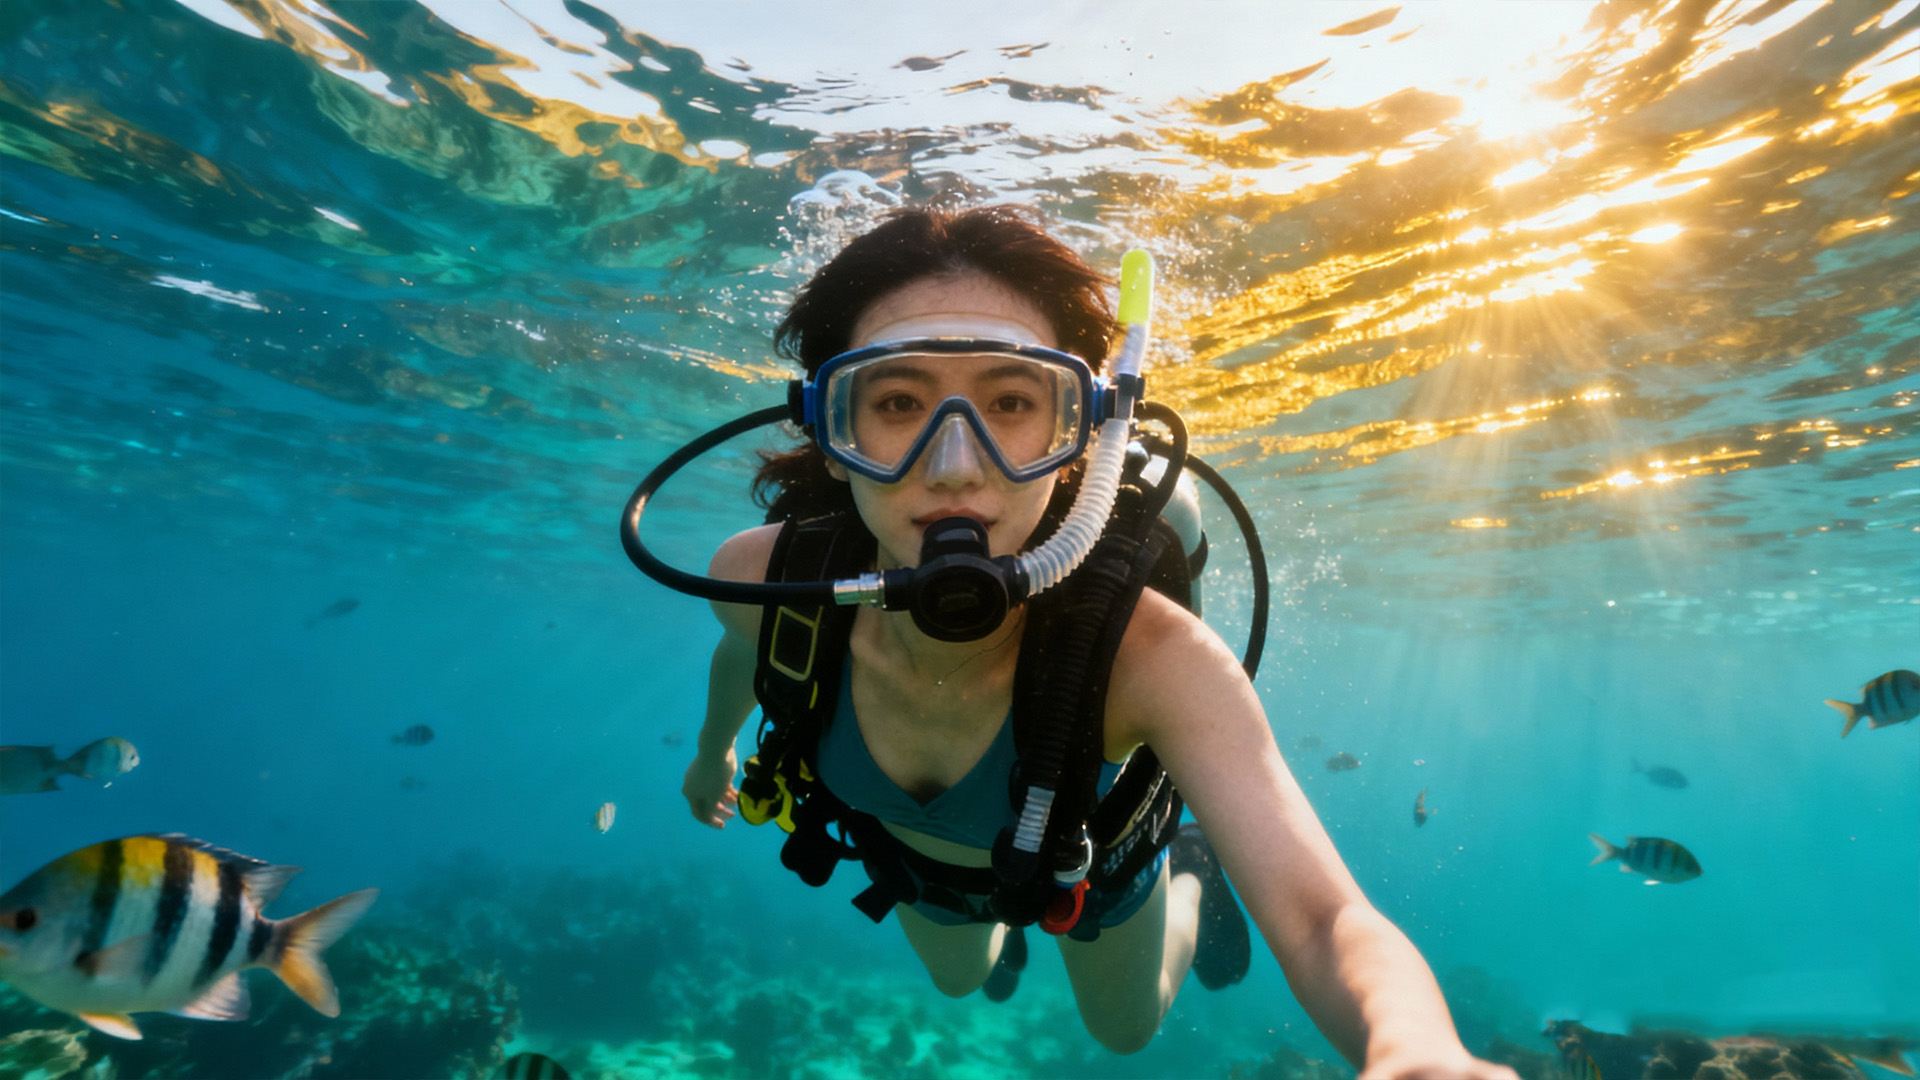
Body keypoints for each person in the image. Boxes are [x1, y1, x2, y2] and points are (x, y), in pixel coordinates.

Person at [676, 205, 1517, 1078]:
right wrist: (714, 753)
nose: (957, 465)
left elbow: (1321, 918)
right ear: (832, 432)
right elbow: (747, 657)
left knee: (1126, 1030)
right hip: (912, 862)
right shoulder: (765, 580)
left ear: (1083, 432)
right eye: (896, 402)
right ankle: (1001, 935)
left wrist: (1417, 1050)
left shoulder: (1154, 659)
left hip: (1092, 874)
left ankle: (1189, 874)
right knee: (960, 981)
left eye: (1011, 401)